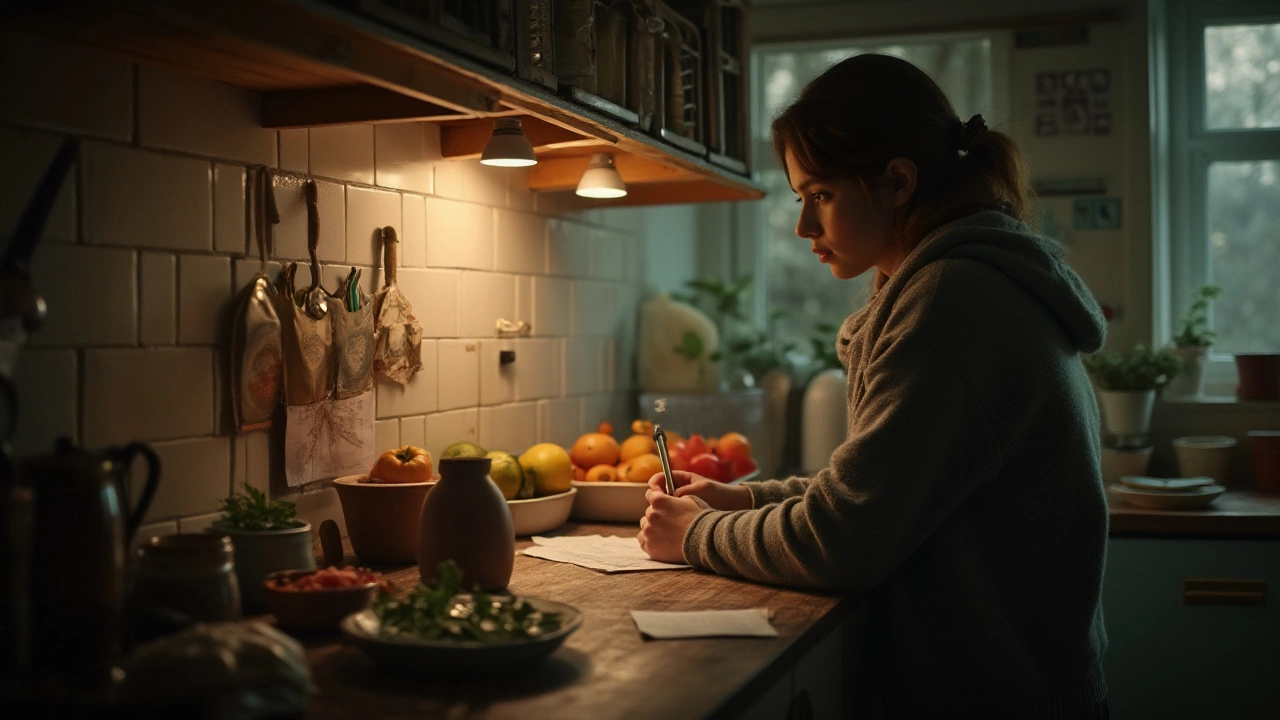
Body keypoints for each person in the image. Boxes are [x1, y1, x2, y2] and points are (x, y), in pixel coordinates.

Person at [638, 54, 1110, 719]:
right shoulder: (946, 284)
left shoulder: (950, 301)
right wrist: (739, 501)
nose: (804, 226)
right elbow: (887, 492)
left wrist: (696, 535)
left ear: (896, 182)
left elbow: (846, 539)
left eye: (820, 195)